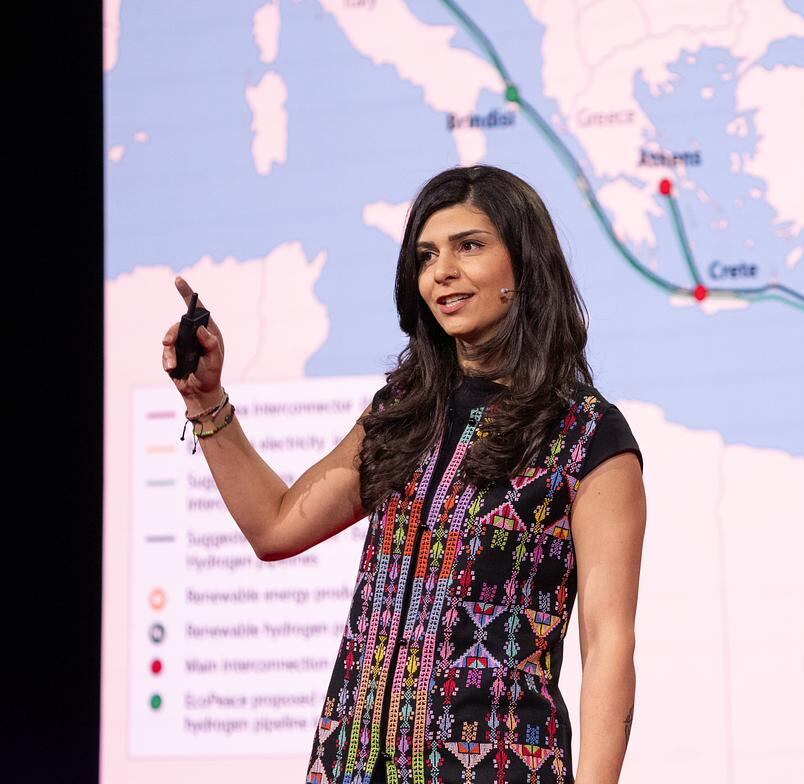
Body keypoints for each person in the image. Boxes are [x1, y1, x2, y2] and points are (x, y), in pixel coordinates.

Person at [162, 164, 646, 784]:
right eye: (426, 256)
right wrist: (205, 399)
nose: (442, 271)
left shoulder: (588, 436)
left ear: (523, 266)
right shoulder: (404, 411)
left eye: (469, 246)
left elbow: (608, 646)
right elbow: (275, 526)